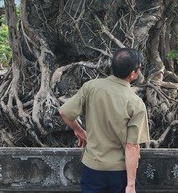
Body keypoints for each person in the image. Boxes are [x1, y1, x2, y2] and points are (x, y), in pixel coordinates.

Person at [59, 48, 150, 193]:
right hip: (119, 173)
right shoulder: (136, 103)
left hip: (92, 168)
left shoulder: (92, 87)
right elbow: (132, 146)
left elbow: (64, 112)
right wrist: (131, 184)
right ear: (133, 73)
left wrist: (79, 130)